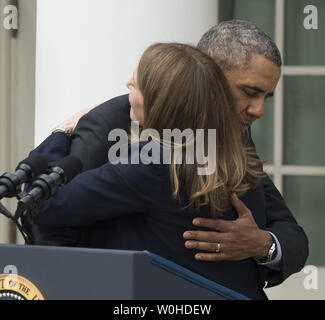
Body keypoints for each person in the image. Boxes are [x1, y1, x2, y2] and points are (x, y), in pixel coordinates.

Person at [35, 20, 309, 289]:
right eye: (249, 92)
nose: (258, 110)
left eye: (266, 97)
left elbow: (290, 233)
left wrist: (263, 244)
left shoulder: (235, 139)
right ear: (209, 75)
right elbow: (52, 217)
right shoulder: (109, 123)